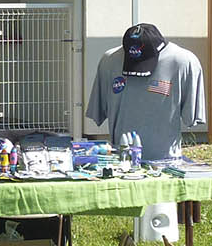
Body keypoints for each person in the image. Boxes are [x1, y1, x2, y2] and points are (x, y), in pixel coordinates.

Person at [85, 22, 205, 160]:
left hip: (165, 161)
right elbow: (98, 111)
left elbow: (191, 117)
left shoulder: (183, 62)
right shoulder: (109, 61)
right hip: (122, 161)